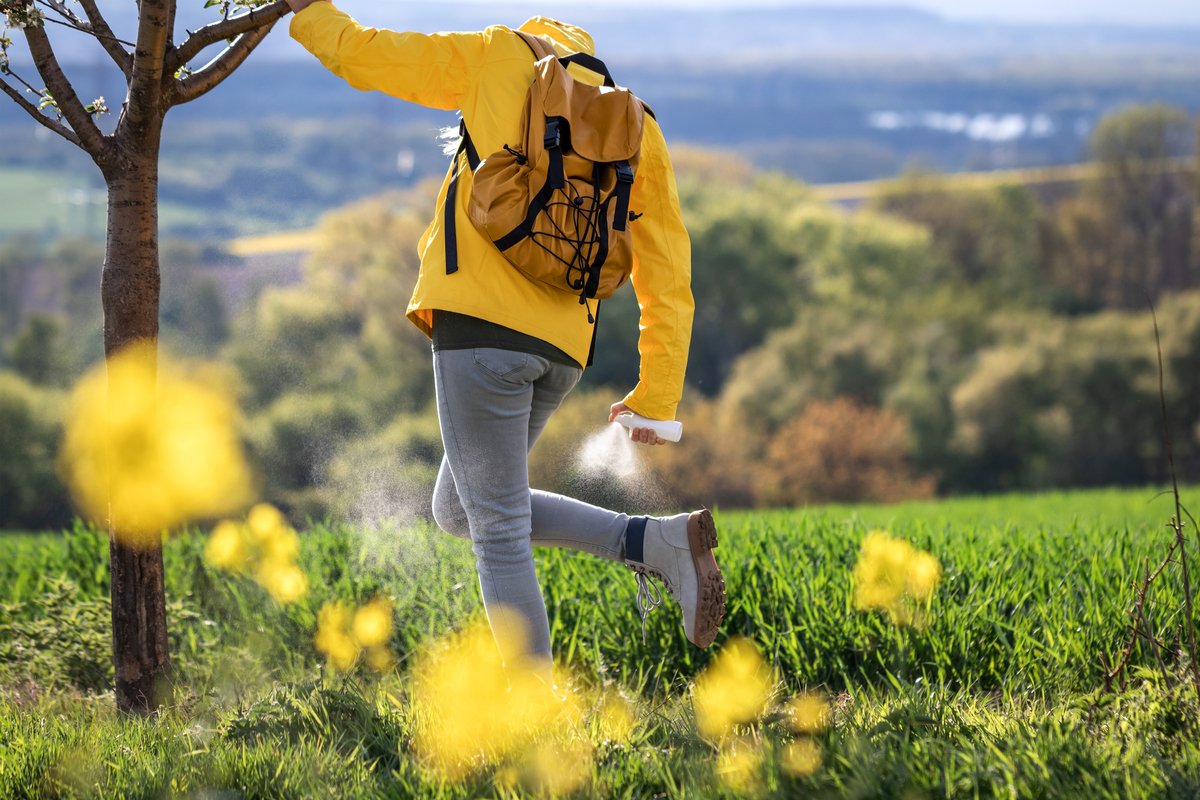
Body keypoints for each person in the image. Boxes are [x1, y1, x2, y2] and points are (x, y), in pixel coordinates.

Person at [284, 0, 725, 677]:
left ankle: (534, 714)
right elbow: (668, 274)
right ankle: (652, 541)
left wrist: (310, 11)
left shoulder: (497, 54)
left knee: (495, 531)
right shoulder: (637, 124)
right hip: (561, 350)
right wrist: (656, 396)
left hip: (481, 332)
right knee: (459, 508)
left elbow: (368, 55)